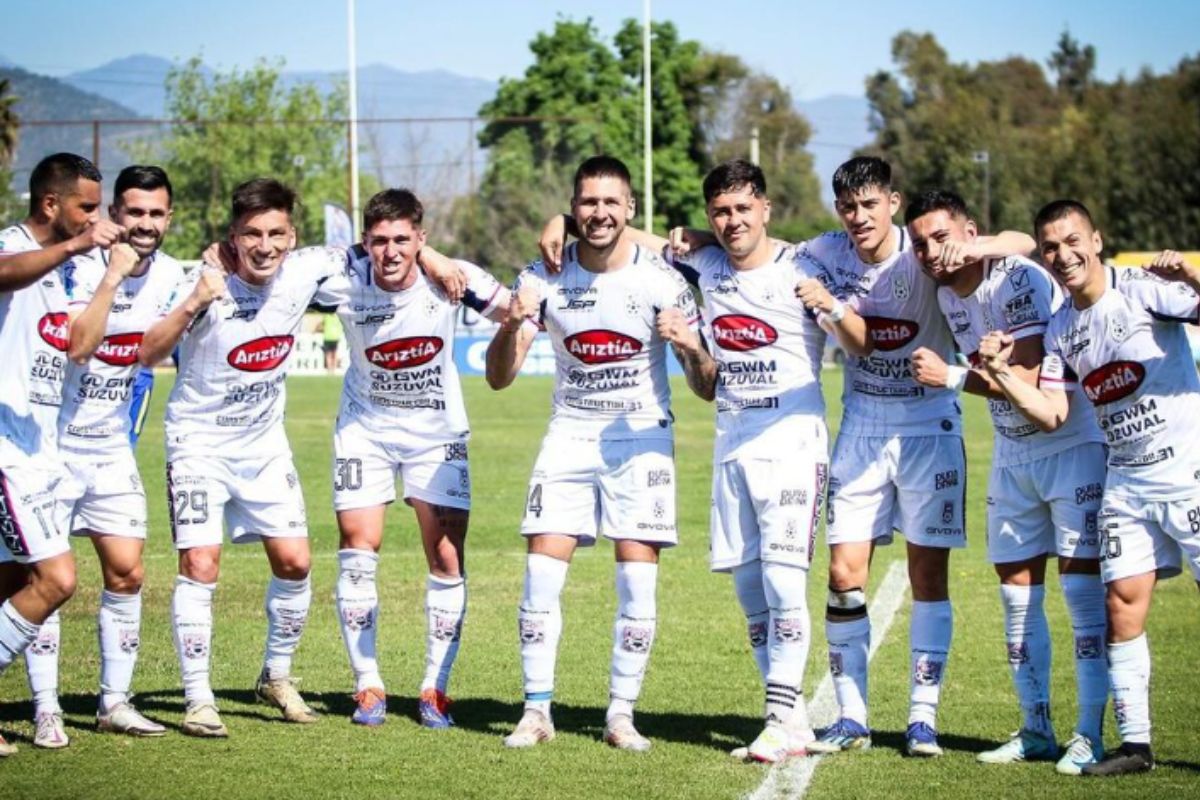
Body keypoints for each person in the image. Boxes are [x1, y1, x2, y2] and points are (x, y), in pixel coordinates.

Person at [539, 158, 831, 762]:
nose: (732, 221)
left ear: (766, 209)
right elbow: (623, 234)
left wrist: (838, 310)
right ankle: (794, 718)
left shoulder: (808, 260)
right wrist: (561, 221)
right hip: (733, 441)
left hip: (795, 441)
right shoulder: (704, 261)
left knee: (782, 579)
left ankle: (778, 717)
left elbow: (870, 280)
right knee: (750, 587)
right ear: (708, 217)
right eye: (720, 212)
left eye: (744, 208)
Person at [793, 157, 1034, 757]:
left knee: (928, 577)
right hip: (862, 427)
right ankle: (852, 718)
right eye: (848, 207)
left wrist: (976, 246)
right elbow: (764, 246)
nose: (858, 218)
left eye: (869, 205)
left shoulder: (926, 250)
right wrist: (687, 239)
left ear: (892, 203)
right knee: (844, 575)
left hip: (931, 426)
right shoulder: (828, 251)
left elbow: (1022, 241)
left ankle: (922, 719)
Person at [488, 155, 713, 751]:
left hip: (641, 437)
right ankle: (537, 710)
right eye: (588, 202)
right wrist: (511, 327)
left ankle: (620, 715)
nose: (600, 213)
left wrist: (689, 346)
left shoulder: (665, 280)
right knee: (540, 575)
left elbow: (707, 384)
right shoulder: (542, 276)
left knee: (637, 585)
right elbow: (498, 378)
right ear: (573, 206)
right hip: (569, 435)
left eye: (612, 202)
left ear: (630, 209)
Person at [978, 200, 1200, 777]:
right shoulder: (1060, 328)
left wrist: (1194, 277)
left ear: (1096, 240)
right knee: (1120, 607)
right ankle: (1136, 746)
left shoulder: (1144, 289)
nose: (1062, 255)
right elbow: (1052, 412)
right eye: (1049, 247)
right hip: (1124, 482)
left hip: (1188, 475)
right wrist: (998, 373)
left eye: (1072, 241)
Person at [905, 190, 1107, 774]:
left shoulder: (1017, 278)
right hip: (1012, 457)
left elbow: (1027, 381)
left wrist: (950, 377)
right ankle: (1035, 727)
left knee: (1083, 599)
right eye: (920, 243)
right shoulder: (946, 294)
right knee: (1016, 598)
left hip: (1070, 447)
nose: (931, 252)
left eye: (942, 237)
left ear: (971, 231)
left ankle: (1089, 732)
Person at [139, 178, 346, 738]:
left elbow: (381, 246)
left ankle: (276, 676)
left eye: (276, 233)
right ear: (232, 238)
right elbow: (147, 352)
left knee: (297, 563)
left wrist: (435, 255)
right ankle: (199, 698)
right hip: (198, 444)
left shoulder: (308, 269)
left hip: (263, 444)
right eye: (251, 233)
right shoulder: (199, 280)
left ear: (292, 236)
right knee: (201, 565)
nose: (265, 245)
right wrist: (194, 302)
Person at [325, 188, 510, 727]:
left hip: (436, 432)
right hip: (364, 430)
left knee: (446, 557)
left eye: (403, 240)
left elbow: (518, 310)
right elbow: (272, 269)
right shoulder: (342, 278)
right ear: (365, 242)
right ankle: (368, 687)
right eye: (379, 241)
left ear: (420, 238)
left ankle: (435, 689)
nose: (390, 251)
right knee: (359, 549)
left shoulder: (453, 276)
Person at [23, 165, 184, 748]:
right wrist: (111, 279)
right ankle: (46, 708)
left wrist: (190, 302)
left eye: (156, 214)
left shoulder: (170, 274)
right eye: (133, 212)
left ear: (170, 218)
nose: (144, 224)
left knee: (128, 572)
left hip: (112, 447)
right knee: (46, 579)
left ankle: (113, 701)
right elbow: (79, 345)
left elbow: (149, 354)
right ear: (114, 212)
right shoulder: (77, 264)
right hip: (50, 447)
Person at [0, 153, 121, 755]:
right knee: (57, 578)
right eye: (88, 207)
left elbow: (78, 345)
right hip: (4, 452)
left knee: (9, 583)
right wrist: (77, 249)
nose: (96, 219)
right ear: (51, 204)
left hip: (37, 451)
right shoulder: (13, 247)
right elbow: (5, 273)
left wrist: (108, 276)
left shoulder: (70, 273)